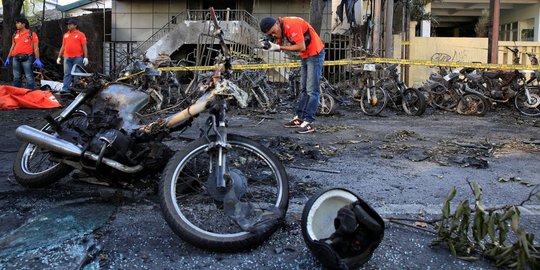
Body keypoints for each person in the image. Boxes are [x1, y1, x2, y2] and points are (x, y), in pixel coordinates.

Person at [259, 16, 325, 134]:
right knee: (304, 89)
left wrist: (279, 47)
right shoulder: (281, 27)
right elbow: (279, 44)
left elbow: (301, 46)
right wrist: (270, 44)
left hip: (315, 53)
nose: (273, 34)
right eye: (271, 34)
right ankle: (300, 118)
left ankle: (309, 122)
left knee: (312, 90)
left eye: (273, 32)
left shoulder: (292, 25)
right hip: (306, 55)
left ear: (277, 23)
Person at [3, 17, 43, 90]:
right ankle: (16, 92)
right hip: (15, 57)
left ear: (23, 24)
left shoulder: (31, 34)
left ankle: (30, 92)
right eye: (16, 23)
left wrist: (37, 58)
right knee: (16, 76)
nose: (16, 25)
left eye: (18, 23)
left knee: (29, 75)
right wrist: (8, 57)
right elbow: (12, 46)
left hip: (27, 57)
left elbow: (36, 48)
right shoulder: (15, 34)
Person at [56, 18, 88, 93]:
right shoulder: (66, 35)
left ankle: (76, 90)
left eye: (70, 24)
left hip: (78, 57)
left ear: (75, 25)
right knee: (67, 74)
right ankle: (65, 89)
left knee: (77, 74)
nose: (68, 26)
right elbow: (63, 46)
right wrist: (59, 56)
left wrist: (86, 57)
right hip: (67, 57)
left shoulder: (81, 34)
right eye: (68, 24)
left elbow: (84, 46)